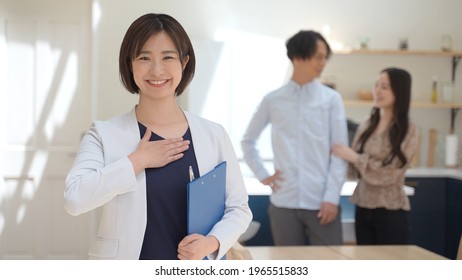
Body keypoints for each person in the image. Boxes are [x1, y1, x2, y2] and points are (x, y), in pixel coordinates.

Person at [64, 13, 252, 260]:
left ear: (184, 63)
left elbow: (239, 208)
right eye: (144, 58)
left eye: (168, 57)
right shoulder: (102, 134)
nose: (156, 69)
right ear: (130, 65)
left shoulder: (213, 134)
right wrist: (136, 161)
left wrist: (211, 243)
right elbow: (74, 199)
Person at [241, 30, 348, 246]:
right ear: (298, 57)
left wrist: (331, 197)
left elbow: (340, 152)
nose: (323, 62)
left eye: (325, 57)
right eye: (318, 56)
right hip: (284, 204)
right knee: (289, 266)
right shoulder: (273, 100)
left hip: (321, 203)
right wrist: (262, 174)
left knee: (330, 267)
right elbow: (248, 141)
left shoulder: (331, 99)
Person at [332, 67, 418, 245]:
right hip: (363, 207)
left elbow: (388, 174)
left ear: (399, 92)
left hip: (390, 211)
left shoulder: (408, 130)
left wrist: (354, 157)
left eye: (384, 87)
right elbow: (353, 171)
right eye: (376, 85)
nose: (377, 91)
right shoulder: (367, 124)